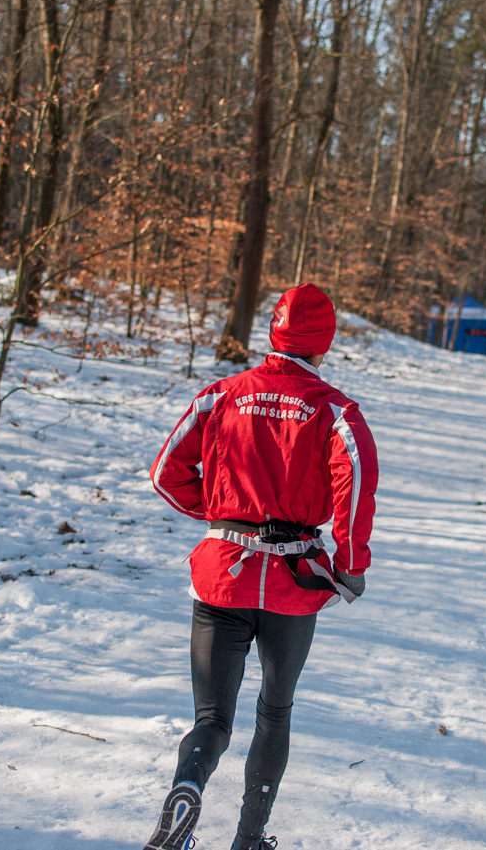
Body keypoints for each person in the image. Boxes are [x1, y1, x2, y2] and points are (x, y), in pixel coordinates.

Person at [144, 283, 379, 850]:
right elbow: (355, 488)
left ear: (273, 333)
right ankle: (249, 839)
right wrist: (350, 564)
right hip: (294, 584)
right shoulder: (336, 411)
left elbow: (164, 474)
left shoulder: (220, 395)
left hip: (222, 574)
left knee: (212, 718)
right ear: (323, 344)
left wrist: (224, 515)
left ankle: (186, 787)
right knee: (275, 711)